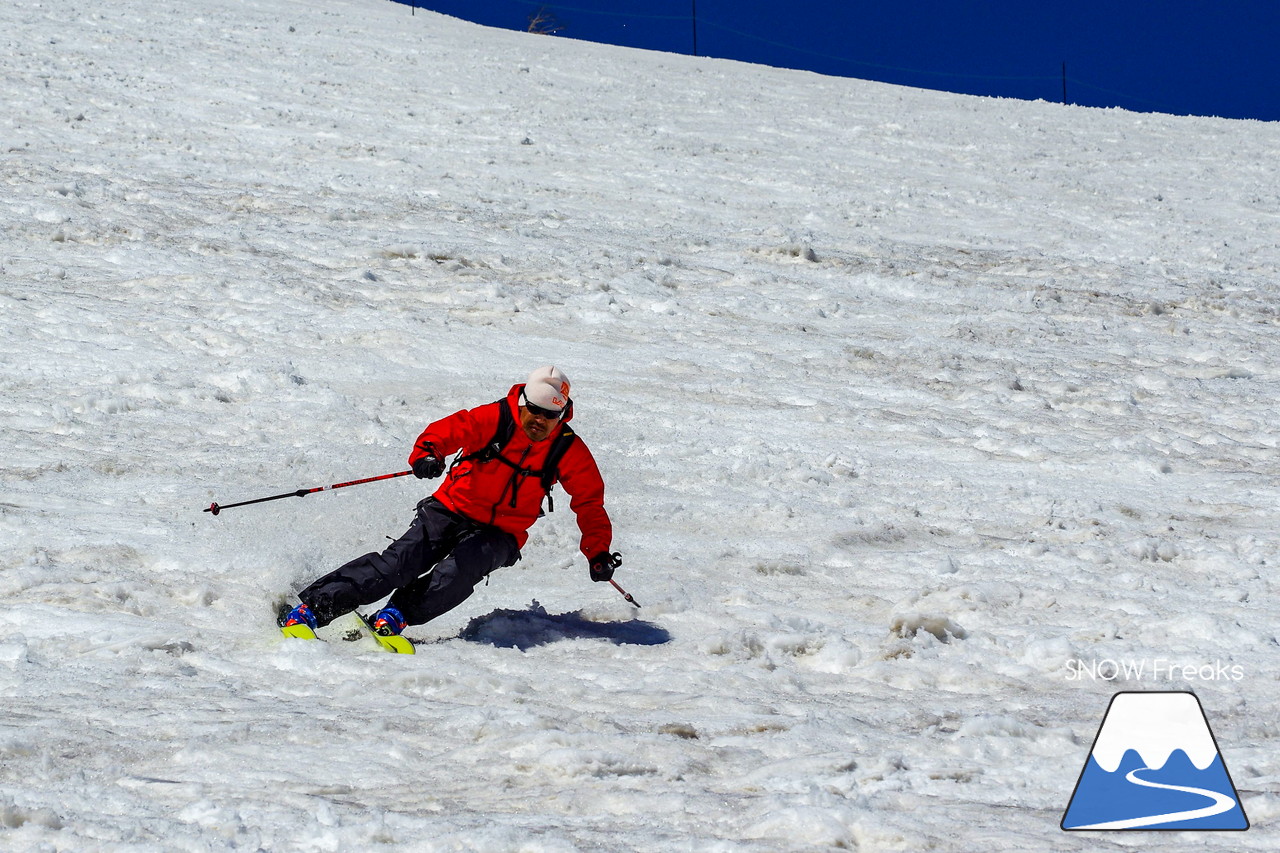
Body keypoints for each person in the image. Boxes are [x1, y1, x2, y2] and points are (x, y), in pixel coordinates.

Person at [278, 366, 620, 641]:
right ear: (522, 404)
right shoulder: (496, 419)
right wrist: (428, 453)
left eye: (549, 415)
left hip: (502, 531)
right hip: (452, 508)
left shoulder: (567, 449)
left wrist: (598, 552)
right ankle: (311, 609)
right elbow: (450, 430)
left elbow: (589, 502)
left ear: (561, 416)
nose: (539, 421)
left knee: (459, 572)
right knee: (399, 563)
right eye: (534, 410)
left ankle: (396, 615)